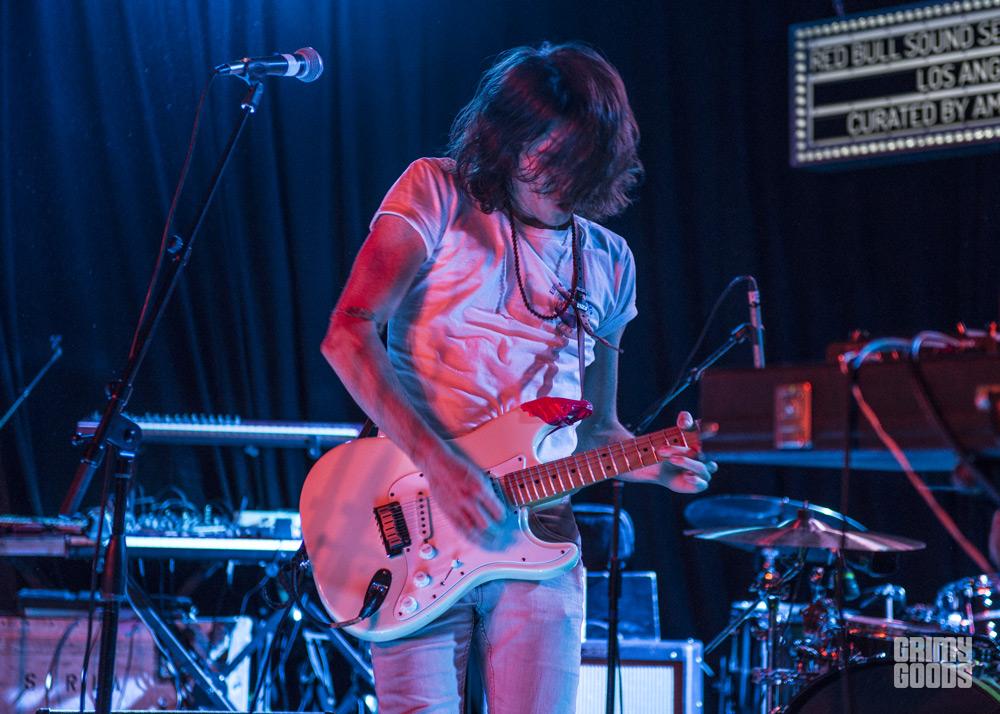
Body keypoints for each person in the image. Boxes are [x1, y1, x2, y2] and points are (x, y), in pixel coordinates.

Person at [321, 41, 715, 714]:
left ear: (599, 158)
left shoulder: (611, 262)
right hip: (414, 515)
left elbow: (597, 430)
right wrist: (442, 466)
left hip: (542, 529)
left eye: (558, 153)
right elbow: (348, 332)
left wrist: (653, 463)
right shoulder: (436, 190)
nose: (533, 164)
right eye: (526, 144)